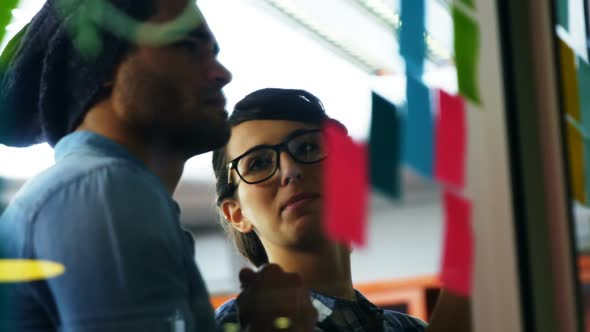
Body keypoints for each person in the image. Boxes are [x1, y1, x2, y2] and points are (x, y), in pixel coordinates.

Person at [0, 1, 315, 331]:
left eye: (214, 53)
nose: (222, 74)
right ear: (103, 65)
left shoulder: (106, 191)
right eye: (188, 47)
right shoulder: (106, 189)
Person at [212, 88, 429, 331]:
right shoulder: (237, 324)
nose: (290, 170)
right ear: (237, 213)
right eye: (259, 163)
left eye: (306, 148)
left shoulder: (410, 329)